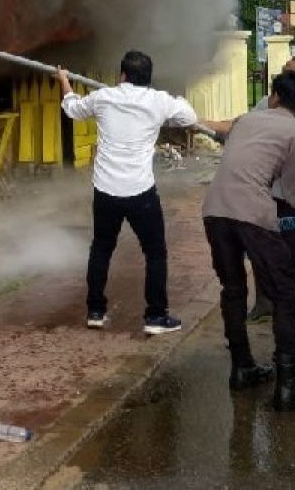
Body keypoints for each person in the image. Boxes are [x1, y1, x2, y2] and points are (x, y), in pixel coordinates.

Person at [203, 71, 295, 409]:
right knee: (284, 296)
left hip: (215, 211)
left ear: (275, 97)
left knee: (233, 289)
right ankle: (288, 386)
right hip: (252, 215)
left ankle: (242, 368)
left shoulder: (244, 121)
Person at [58, 50, 198, 335]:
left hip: (106, 190)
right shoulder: (158, 101)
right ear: (148, 78)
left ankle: (95, 310)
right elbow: (189, 116)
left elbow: (72, 108)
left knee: (101, 248)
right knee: (155, 253)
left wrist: (64, 81)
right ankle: (155, 317)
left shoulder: (103, 97)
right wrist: (173, 101)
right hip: (140, 192)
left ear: (122, 75)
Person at [205, 56, 295, 332]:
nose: (283, 78)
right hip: (267, 190)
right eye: (284, 73)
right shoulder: (268, 101)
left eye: (290, 74)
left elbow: (291, 158)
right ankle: (265, 303)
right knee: (264, 249)